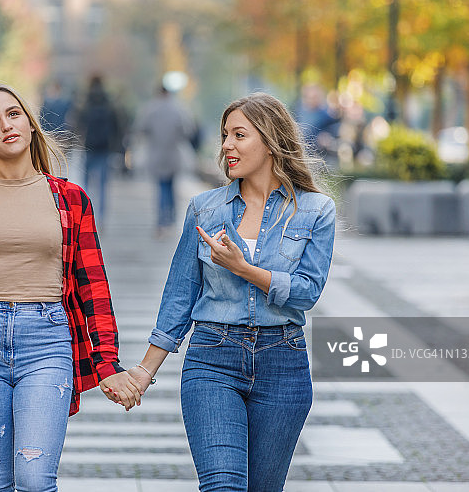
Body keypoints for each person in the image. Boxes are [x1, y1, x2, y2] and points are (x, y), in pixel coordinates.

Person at [0, 83, 141, 492]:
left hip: (48, 341)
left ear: (32, 126)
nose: (6, 125)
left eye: (14, 114)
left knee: (36, 480)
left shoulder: (70, 199)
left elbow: (94, 290)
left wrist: (108, 363)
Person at [123, 92, 337, 491]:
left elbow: (307, 292)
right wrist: (143, 372)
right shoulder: (206, 209)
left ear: (270, 140)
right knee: (223, 485)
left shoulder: (315, 210)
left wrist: (244, 269)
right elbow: (180, 295)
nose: (226, 146)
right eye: (225, 135)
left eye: (239, 135)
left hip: (283, 366)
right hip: (212, 360)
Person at [131, 85, 194, 236]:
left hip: (156, 153)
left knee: (161, 187)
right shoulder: (178, 109)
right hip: (173, 154)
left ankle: (161, 221)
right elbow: (188, 130)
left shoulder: (150, 109)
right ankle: (171, 219)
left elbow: (140, 128)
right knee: (171, 187)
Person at [77, 74, 120, 224]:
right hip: (104, 147)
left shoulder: (86, 102)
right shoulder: (108, 102)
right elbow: (116, 125)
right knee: (102, 184)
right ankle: (101, 217)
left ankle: (86, 214)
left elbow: (79, 123)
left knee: (87, 182)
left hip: (89, 146)